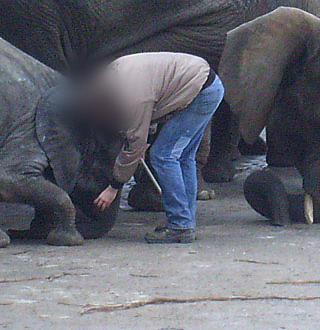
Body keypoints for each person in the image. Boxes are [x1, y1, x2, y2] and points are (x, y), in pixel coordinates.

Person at [83, 52, 224, 243]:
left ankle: (180, 226)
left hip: (200, 93)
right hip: (206, 84)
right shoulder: (110, 77)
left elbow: (136, 142)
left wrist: (114, 187)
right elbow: (153, 100)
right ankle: (185, 221)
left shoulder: (131, 97)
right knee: (183, 157)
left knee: (163, 155)